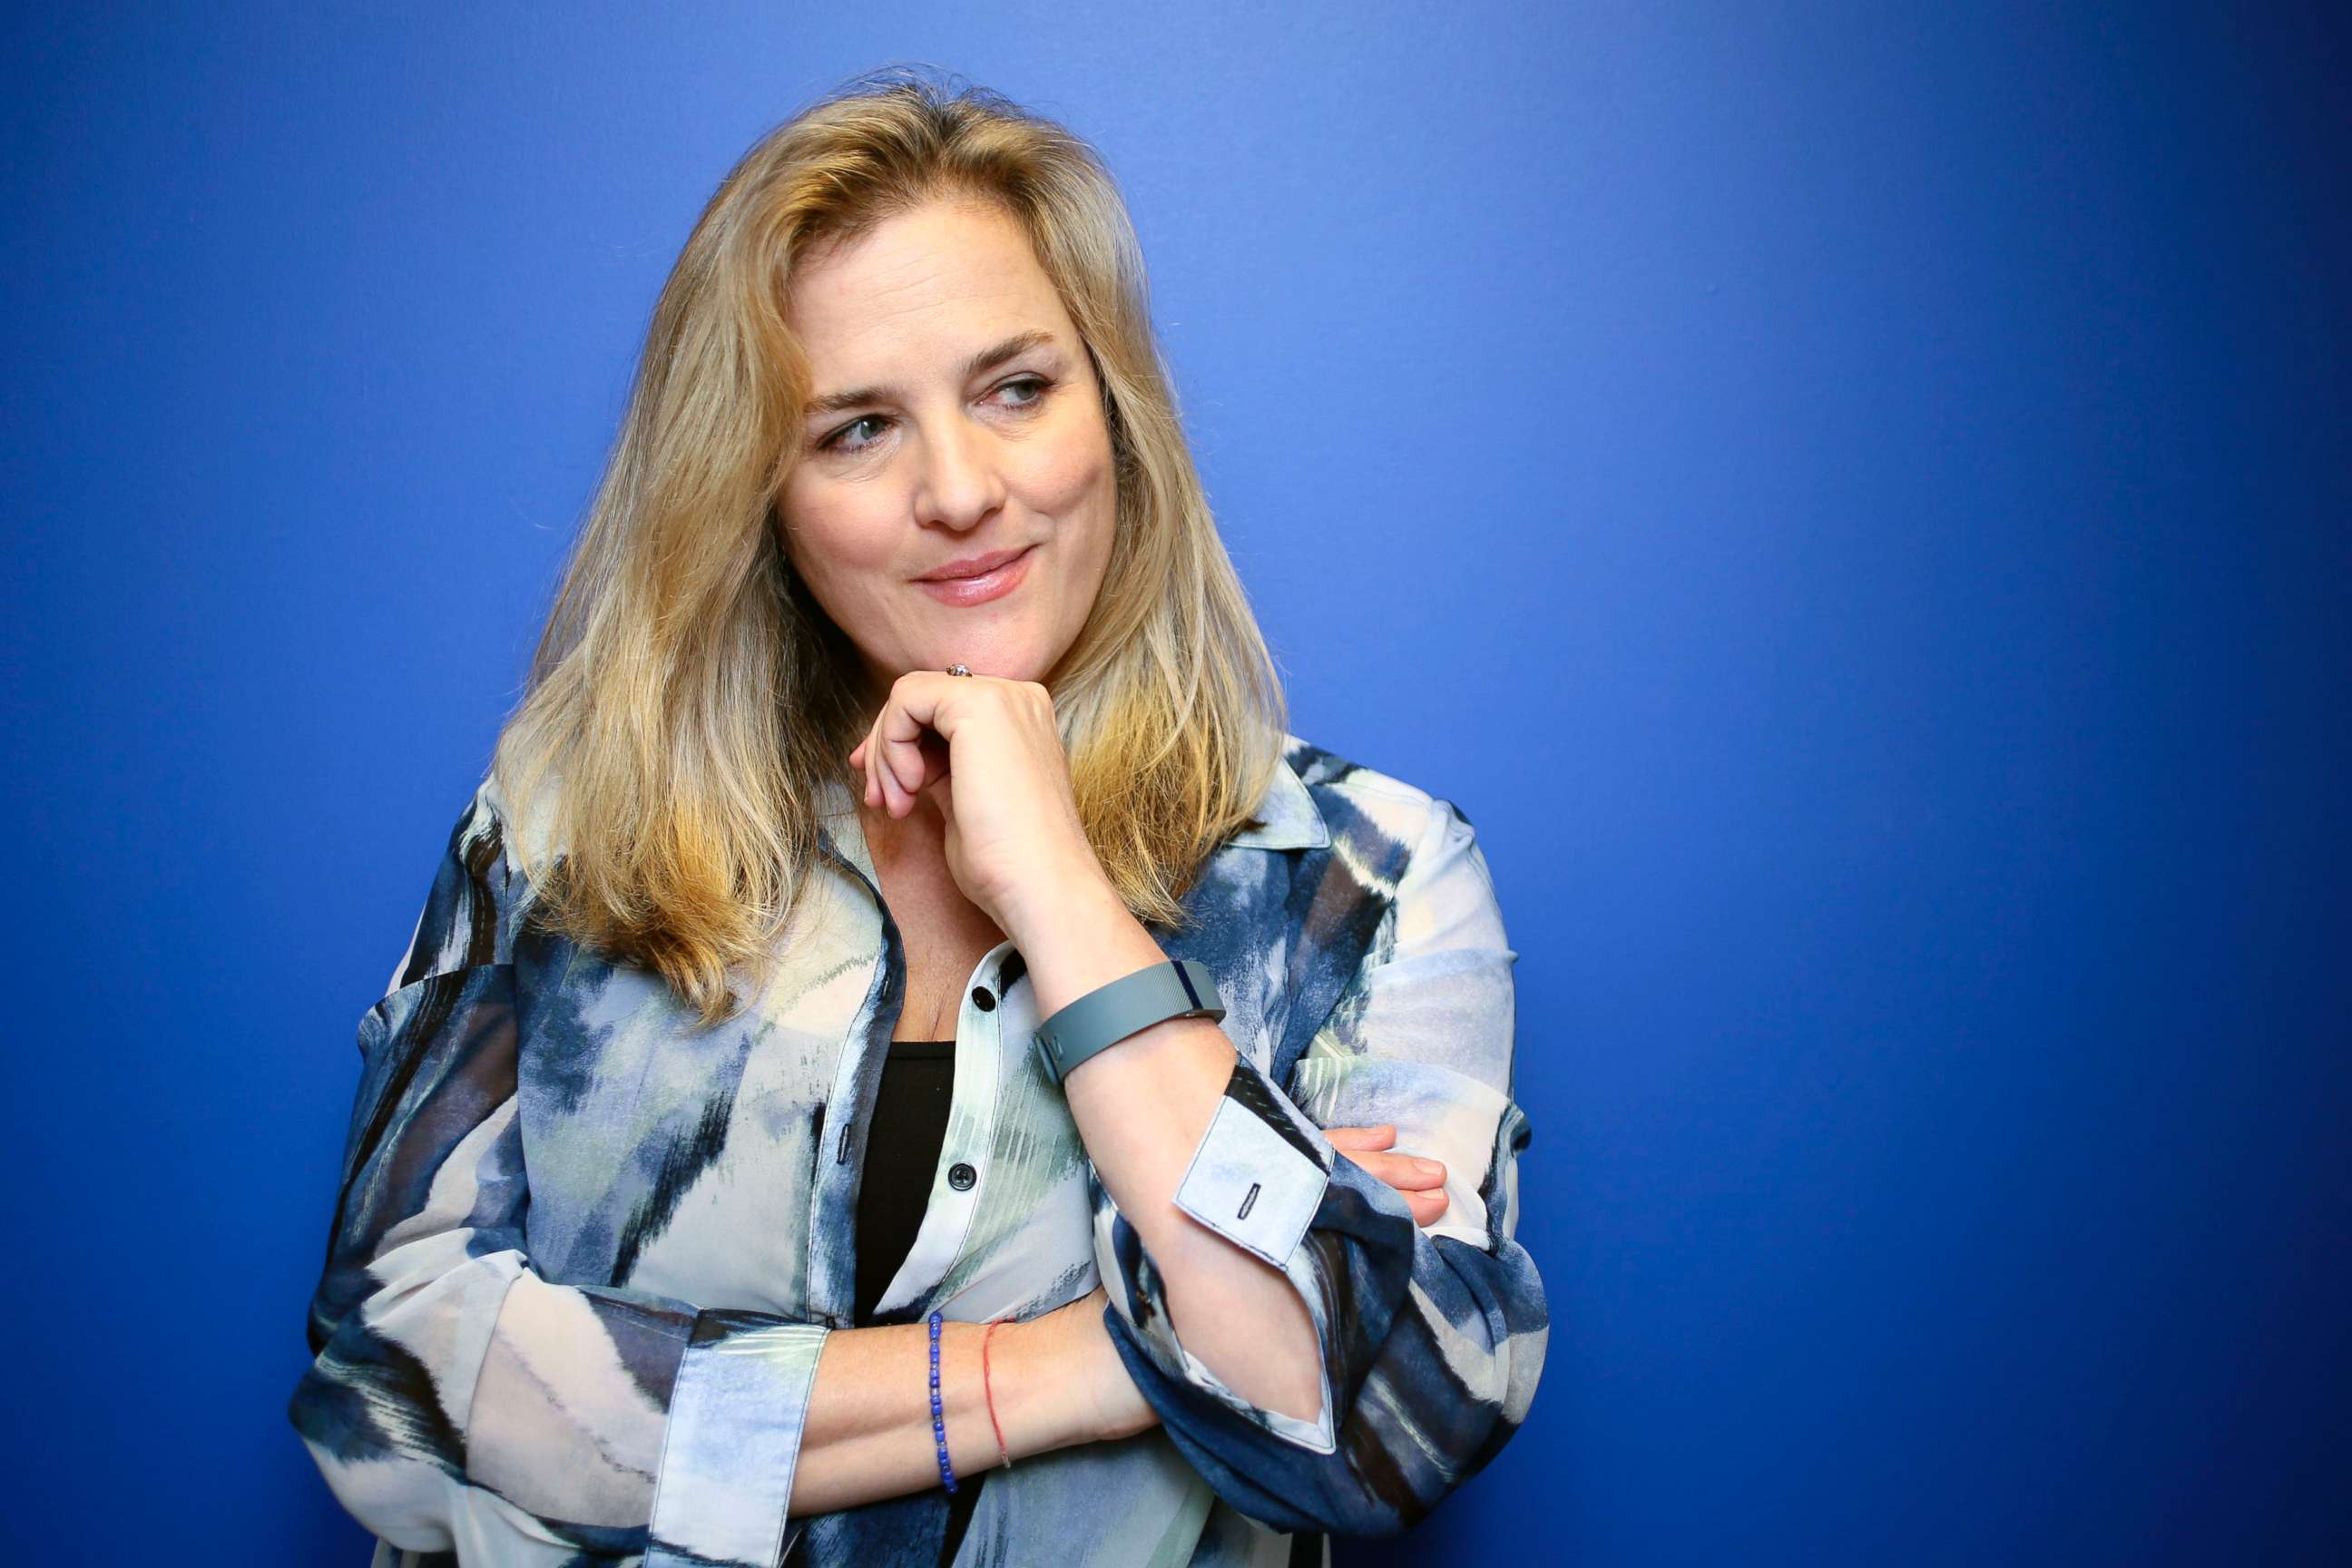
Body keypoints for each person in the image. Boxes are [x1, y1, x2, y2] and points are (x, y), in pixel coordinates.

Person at [288, 65, 1548, 1568]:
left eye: (1018, 388)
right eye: (856, 430)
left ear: (1116, 412)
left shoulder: (1367, 880)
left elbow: (1380, 1419)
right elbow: (395, 1386)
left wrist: (1059, 891)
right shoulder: (567, 831)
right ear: (757, 493)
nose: (961, 489)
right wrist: (1095, 1363)